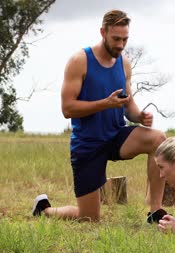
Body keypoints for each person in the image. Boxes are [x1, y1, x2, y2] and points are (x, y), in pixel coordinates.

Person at [31, 10, 167, 222]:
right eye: (116, 39)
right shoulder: (79, 61)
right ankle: (44, 210)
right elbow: (67, 108)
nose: (121, 45)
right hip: (88, 144)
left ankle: (155, 211)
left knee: (158, 139)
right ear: (103, 32)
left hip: (116, 136)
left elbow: (127, 103)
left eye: (125, 39)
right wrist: (105, 103)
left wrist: (139, 116)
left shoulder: (124, 63)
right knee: (89, 218)